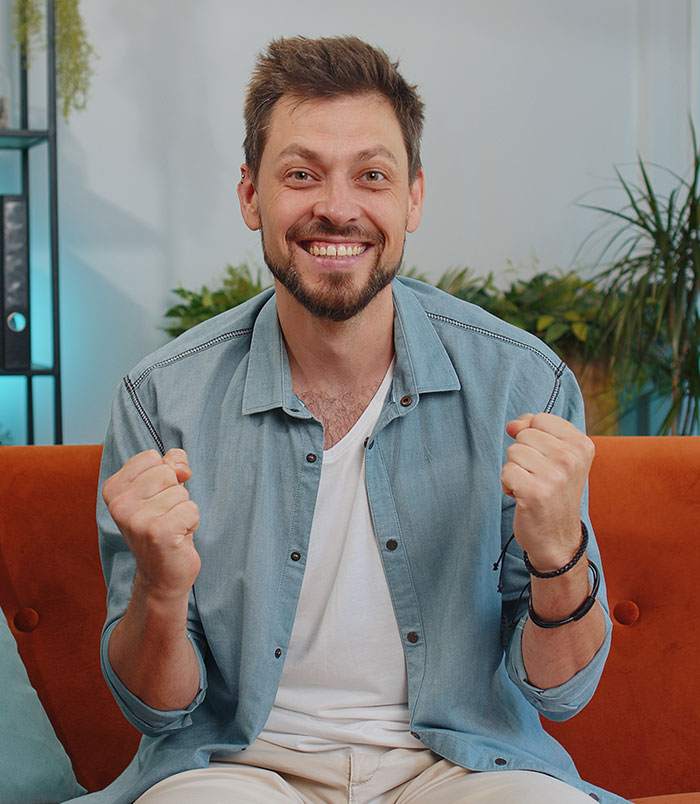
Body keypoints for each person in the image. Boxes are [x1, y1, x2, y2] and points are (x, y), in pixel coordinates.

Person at [71, 35, 629, 804]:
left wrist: (559, 552)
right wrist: (162, 591)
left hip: (463, 767)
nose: (337, 207)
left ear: (413, 199)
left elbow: (562, 694)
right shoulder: (160, 399)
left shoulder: (524, 383)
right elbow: (158, 706)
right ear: (250, 197)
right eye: (301, 174)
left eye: (371, 175)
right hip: (240, 769)